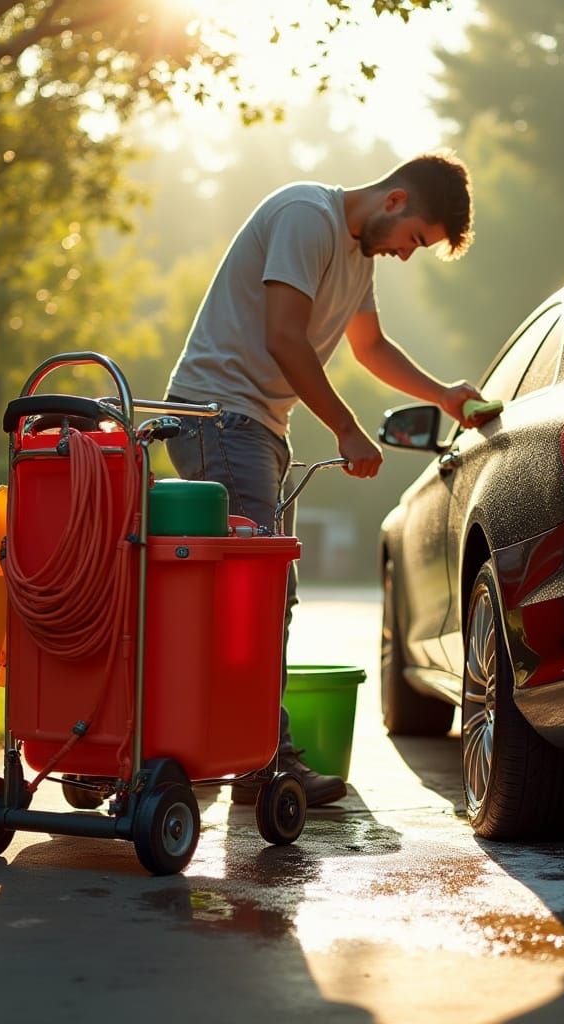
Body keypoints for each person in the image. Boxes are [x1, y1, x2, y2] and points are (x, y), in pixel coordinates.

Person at [165, 150, 488, 807]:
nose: (406, 255)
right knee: (258, 596)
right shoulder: (306, 217)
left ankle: (231, 747)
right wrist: (345, 426)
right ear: (395, 200)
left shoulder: (357, 255)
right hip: (219, 418)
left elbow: (370, 347)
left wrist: (444, 395)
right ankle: (262, 763)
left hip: (253, 427)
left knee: (257, 595)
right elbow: (284, 337)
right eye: (415, 239)